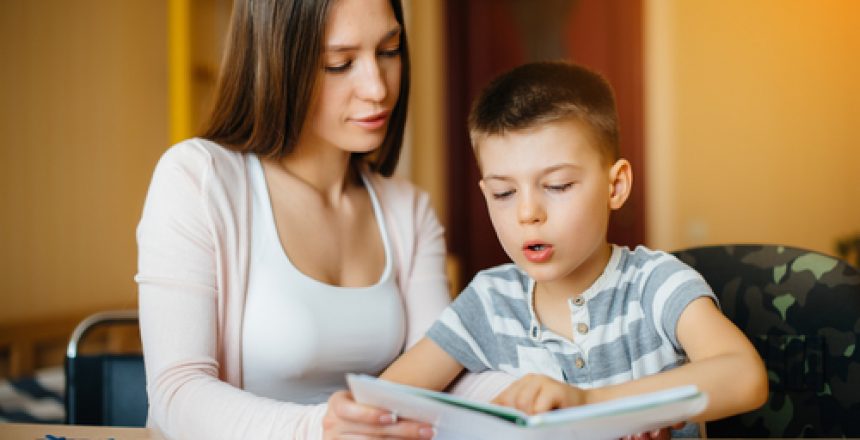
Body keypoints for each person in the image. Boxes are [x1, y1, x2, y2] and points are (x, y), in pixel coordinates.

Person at [135, 0, 513, 438]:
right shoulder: (198, 178)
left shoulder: (406, 209)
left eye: (389, 51)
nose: (377, 88)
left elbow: (443, 371)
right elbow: (176, 393)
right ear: (278, 61)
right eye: (340, 63)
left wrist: (528, 394)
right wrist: (320, 429)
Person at [381, 61, 769, 438]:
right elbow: (386, 402)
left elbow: (744, 376)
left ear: (614, 186)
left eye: (558, 185)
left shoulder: (655, 283)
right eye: (504, 193)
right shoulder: (489, 301)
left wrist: (592, 403)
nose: (527, 213)